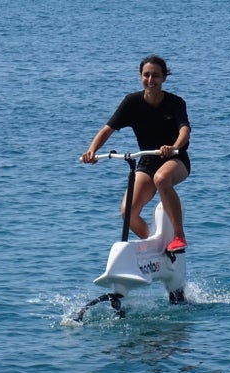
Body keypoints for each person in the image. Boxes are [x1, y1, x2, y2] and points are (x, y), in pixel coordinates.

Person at [81, 55, 191, 252]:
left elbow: (185, 130)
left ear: (164, 78)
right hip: (148, 160)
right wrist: (91, 152)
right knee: (128, 212)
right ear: (140, 77)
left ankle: (179, 237)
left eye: (155, 76)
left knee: (162, 179)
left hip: (175, 158)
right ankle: (154, 245)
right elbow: (108, 129)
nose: (150, 80)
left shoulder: (176, 103)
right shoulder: (132, 102)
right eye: (146, 75)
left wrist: (173, 147)